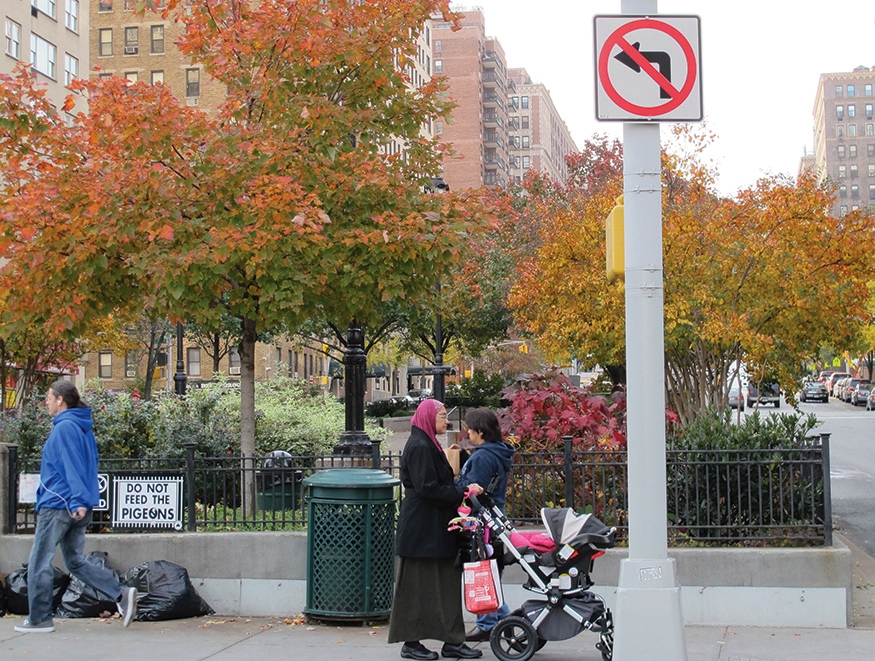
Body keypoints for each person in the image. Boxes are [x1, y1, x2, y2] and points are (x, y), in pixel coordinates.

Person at [15, 381, 137, 633]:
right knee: (74, 561)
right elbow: (87, 465)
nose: (46, 402)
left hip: (59, 504)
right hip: (75, 504)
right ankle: (122, 593)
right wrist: (82, 501)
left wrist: (76, 501)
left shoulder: (64, 428)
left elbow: (71, 466)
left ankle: (38, 619)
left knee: (39, 561)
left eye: (48, 397)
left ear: (60, 400)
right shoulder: (81, 427)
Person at [388, 399, 484, 660]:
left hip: (433, 526)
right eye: (442, 416)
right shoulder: (419, 446)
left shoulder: (427, 443)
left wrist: (458, 486)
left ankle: (452, 641)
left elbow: (434, 482)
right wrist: (461, 491)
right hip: (422, 528)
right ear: (428, 418)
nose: (446, 421)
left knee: (446, 585)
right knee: (417, 588)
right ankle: (412, 642)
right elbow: (427, 488)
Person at [457, 408, 515, 642]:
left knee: (480, 569)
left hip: (482, 519)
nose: (468, 433)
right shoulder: (498, 452)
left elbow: (473, 489)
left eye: (470, 429)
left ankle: (487, 621)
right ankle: (502, 617)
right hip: (495, 513)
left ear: (480, 431)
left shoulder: (482, 457)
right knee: (489, 569)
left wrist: (455, 481)